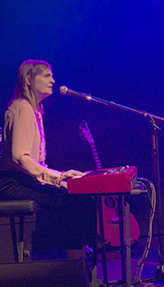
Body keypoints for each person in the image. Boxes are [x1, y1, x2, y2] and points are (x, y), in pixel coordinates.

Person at [0, 59, 95, 258]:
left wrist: (59, 177)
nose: (53, 80)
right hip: (11, 183)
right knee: (77, 200)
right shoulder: (22, 108)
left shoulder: (33, 110)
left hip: (23, 179)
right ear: (28, 79)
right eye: (46, 75)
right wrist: (57, 178)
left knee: (80, 195)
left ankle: (80, 255)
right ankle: (76, 262)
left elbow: (33, 161)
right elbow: (20, 157)